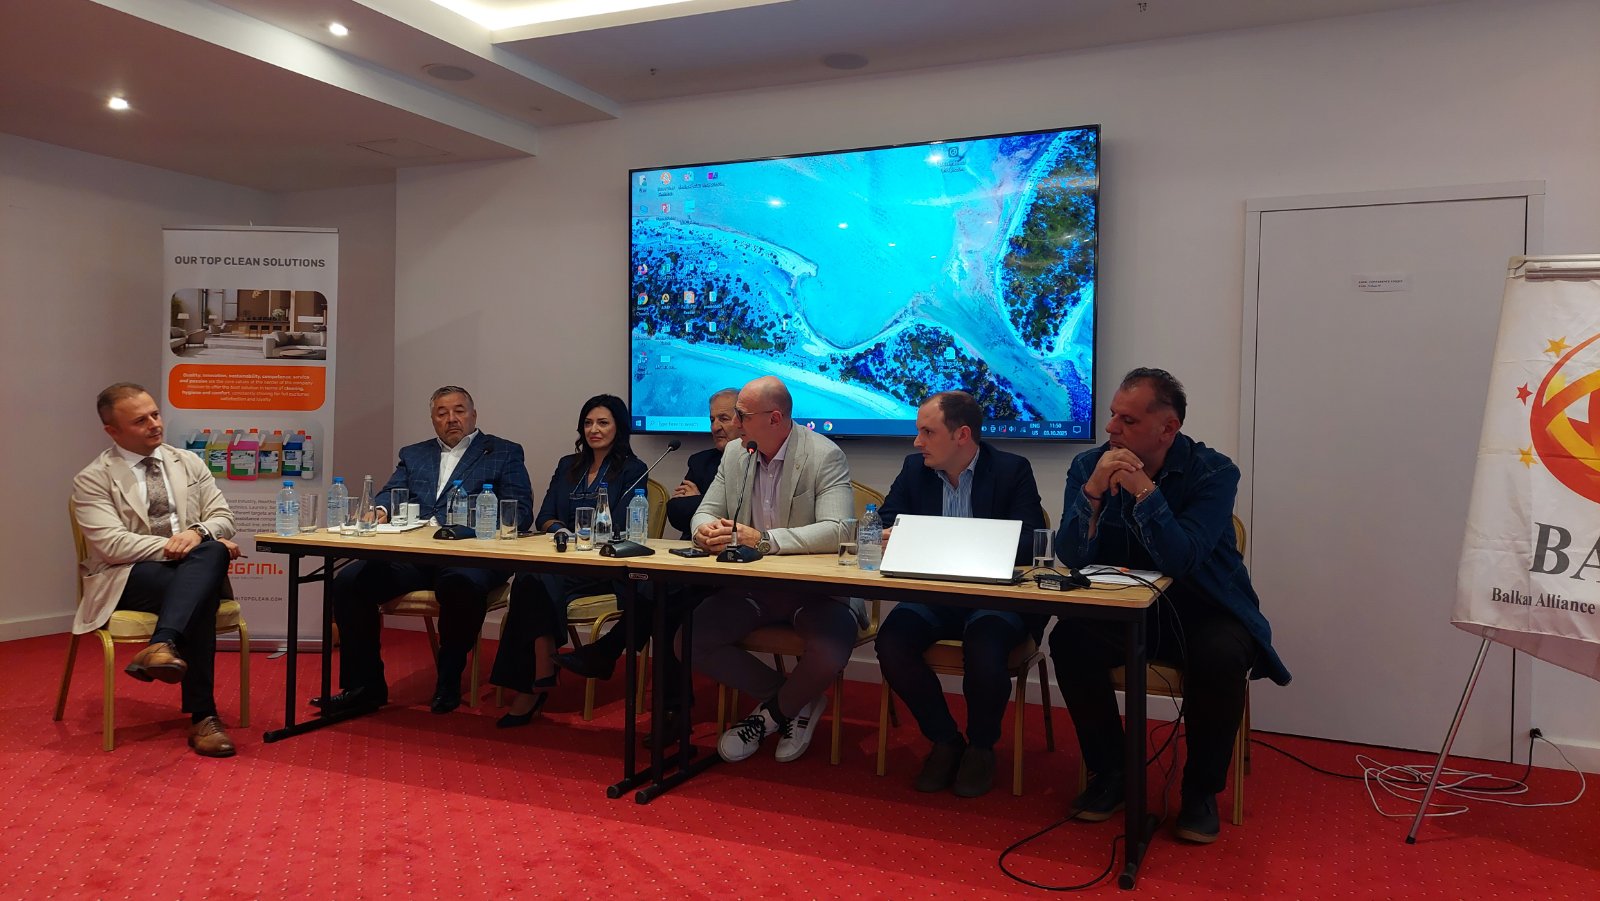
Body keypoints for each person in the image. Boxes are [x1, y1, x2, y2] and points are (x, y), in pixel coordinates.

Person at [1051, 368, 1289, 844]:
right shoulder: (1089, 465)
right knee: (1070, 640)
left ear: (1168, 428)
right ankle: (1112, 773)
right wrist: (1092, 492)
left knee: (1222, 656)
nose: (1111, 429)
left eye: (1128, 420)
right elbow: (1072, 556)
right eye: (1113, 415)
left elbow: (1181, 559)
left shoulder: (1214, 473)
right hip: (1129, 608)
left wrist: (1143, 489)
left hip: (1204, 607)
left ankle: (1200, 792)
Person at [873, 391, 1047, 797]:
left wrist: (941, 538)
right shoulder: (914, 469)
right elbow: (885, 521)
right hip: (935, 596)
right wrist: (893, 534)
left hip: (996, 598)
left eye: (927, 432)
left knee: (984, 645)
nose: (917, 442)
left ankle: (982, 748)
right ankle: (946, 740)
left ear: (962, 435)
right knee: (891, 643)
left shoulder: (1011, 470)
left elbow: (1028, 542)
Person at [319, 386, 533, 716]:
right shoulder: (414, 454)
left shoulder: (503, 452)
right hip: (416, 555)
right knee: (349, 582)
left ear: (474, 415)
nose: (451, 419)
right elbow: (392, 492)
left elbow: (520, 511)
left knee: (459, 583)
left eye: (459, 411)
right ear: (433, 419)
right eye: (442, 413)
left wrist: (472, 526)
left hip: (470, 555)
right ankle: (364, 686)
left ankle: (448, 677)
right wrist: (379, 510)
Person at [688, 376, 857, 764]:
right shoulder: (737, 453)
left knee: (831, 650)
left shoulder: (824, 454)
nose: (736, 423)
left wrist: (765, 540)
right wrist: (704, 532)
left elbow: (840, 529)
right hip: (754, 588)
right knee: (690, 638)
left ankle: (767, 718)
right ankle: (797, 699)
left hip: (813, 591)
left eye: (743, 416)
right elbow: (705, 511)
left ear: (775, 418)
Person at [70, 383, 244, 757]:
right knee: (208, 567)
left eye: (155, 414)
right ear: (112, 431)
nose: (154, 424)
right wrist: (186, 546)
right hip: (128, 576)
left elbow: (223, 517)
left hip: (187, 574)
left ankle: (161, 644)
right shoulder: (93, 478)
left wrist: (198, 534)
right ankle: (204, 717)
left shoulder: (188, 462)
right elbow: (113, 546)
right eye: (140, 420)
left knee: (203, 566)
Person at [492, 395, 658, 728]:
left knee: (531, 580)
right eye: (588, 423)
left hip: (602, 565)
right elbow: (544, 516)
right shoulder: (568, 464)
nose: (594, 430)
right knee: (531, 577)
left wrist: (582, 537)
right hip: (564, 556)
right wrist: (563, 532)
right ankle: (542, 668)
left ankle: (535, 680)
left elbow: (622, 526)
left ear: (619, 428)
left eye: (603, 423)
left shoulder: (632, 469)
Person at [665, 387, 742, 538]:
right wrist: (709, 505)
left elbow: (743, 515)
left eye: (723, 419)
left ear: (742, 421)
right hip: (697, 543)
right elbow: (676, 513)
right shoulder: (700, 462)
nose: (715, 427)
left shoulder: (757, 459)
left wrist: (697, 500)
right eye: (712, 420)